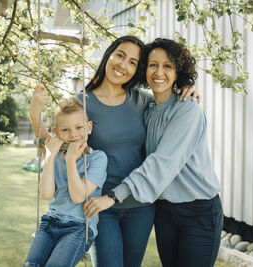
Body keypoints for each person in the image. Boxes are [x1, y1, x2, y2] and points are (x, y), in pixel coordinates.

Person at [30, 35, 199, 267]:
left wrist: (185, 88)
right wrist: (34, 115)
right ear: (108, 55)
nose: (123, 65)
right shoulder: (81, 103)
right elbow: (52, 143)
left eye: (132, 62)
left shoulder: (142, 101)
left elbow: (167, 105)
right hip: (99, 205)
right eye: (120, 55)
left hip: (139, 205)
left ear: (136, 70)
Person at [84, 38, 223, 267]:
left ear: (178, 71)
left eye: (167, 66)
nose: (159, 72)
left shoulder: (187, 109)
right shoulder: (147, 108)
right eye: (152, 65)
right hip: (165, 210)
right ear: (145, 70)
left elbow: (161, 163)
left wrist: (113, 196)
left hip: (198, 211)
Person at [24, 97, 108, 267]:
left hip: (78, 227)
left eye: (79, 127)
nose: (73, 135)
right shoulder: (55, 156)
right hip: (50, 222)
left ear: (89, 127)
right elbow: (47, 194)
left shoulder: (97, 158)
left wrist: (71, 160)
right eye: (65, 130)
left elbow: (78, 197)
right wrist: (49, 156)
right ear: (57, 132)